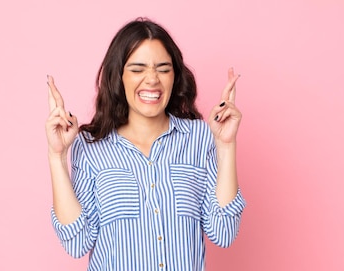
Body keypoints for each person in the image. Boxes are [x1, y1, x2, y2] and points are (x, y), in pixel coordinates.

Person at [45, 17, 246, 270]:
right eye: (138, 69)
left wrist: (226, 146)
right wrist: (57, 156)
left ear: (175, 76)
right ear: (118, 76)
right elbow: (76, 243)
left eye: (163, 69)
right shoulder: (91, 146)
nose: (152, 79)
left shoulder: (199, 137)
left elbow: (224, 232)